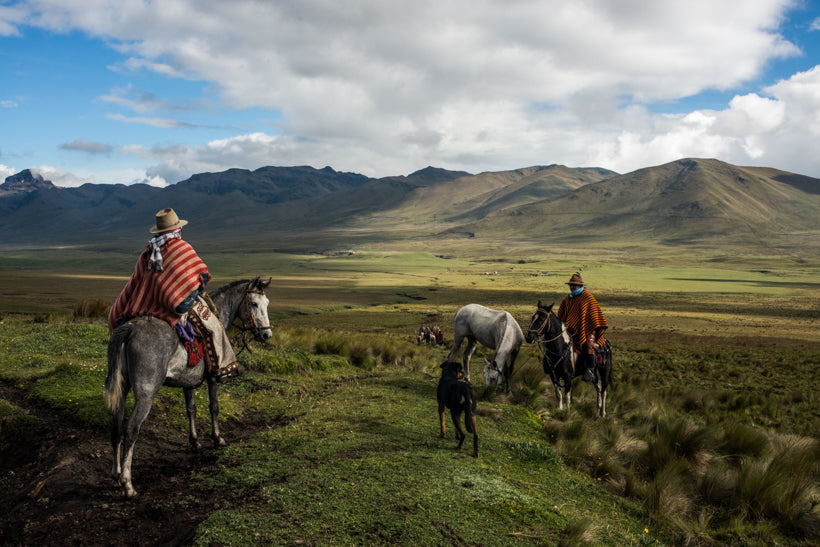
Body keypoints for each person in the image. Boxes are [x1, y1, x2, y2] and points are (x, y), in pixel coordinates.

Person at [108, 208, 243, 381]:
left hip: (147, 303)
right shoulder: (181, 247)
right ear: (177, 229)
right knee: (213, 326)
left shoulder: (148, 251)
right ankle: (222, 369)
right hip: (176, 304)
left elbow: (138, 281)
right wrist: (195, 289)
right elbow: (200, 275)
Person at [556, 273, 608, 382]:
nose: (572, 287)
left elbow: (594, 316)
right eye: (571, 285)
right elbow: (561, 315)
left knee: (589, 345)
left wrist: (583, 326)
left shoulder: (588, 298)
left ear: (580, 285)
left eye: (574, 285)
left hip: (588, 328)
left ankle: (590, 369)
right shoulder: (567, 299)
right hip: (570, 329)